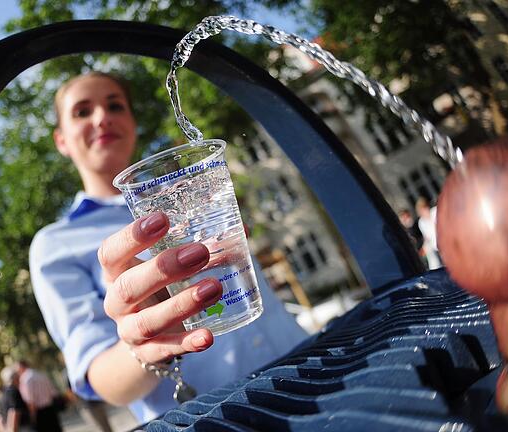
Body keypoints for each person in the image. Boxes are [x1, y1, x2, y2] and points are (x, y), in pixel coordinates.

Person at [28, 71, 308, 423]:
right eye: (82, 112)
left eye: (115, 105)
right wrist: (144, 342)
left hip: (313, 369)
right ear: (62, 140)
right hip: (217, 418)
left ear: (132, 122)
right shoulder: (54, 245)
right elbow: (99, 377)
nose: (102, 117)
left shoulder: (194, 193)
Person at [15, 361, 62, 432]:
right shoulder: (41, 374)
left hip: (39, 414)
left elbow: (30, 401)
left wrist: (32, 417)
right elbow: (53, 393)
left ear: (21, 367)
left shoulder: (25, 379)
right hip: (50, 410)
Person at [0, 366, 33, 432]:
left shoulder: (2, 393)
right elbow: (14, 411)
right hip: (20, 428)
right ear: (15, 378)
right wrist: (13, 430)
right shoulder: (13, 391)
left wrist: (4, 430)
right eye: (18, 377)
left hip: (8, 428)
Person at [415, 198, 442, 270]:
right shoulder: (421, 222)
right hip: (435, 247)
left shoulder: (434, 211)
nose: (425, 210)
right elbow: (426, 238)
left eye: (425, 207)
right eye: (422, 209)